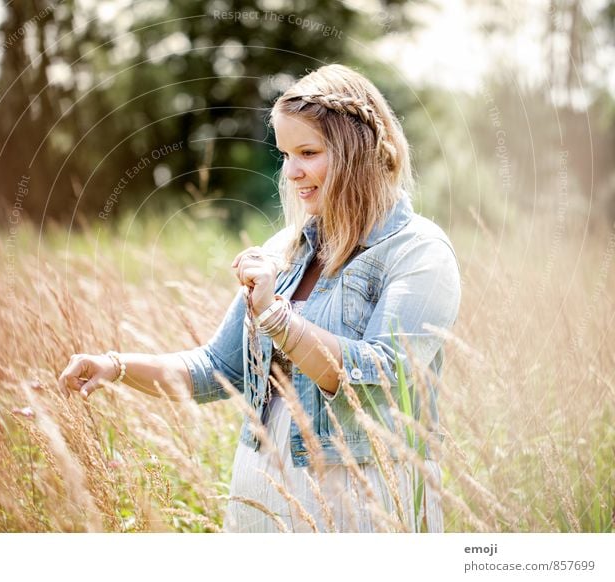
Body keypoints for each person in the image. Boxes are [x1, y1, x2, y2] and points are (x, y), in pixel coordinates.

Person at [58, 64, 461, 533]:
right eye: (286, 154)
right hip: (260, 495)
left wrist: (274, 315)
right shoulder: (283, 251)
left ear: (358, 152)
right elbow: (217, 369)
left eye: (308, 152)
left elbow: (383, 376)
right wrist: (115, 366)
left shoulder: (419, 252)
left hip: (362, 502)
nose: (292, 172)